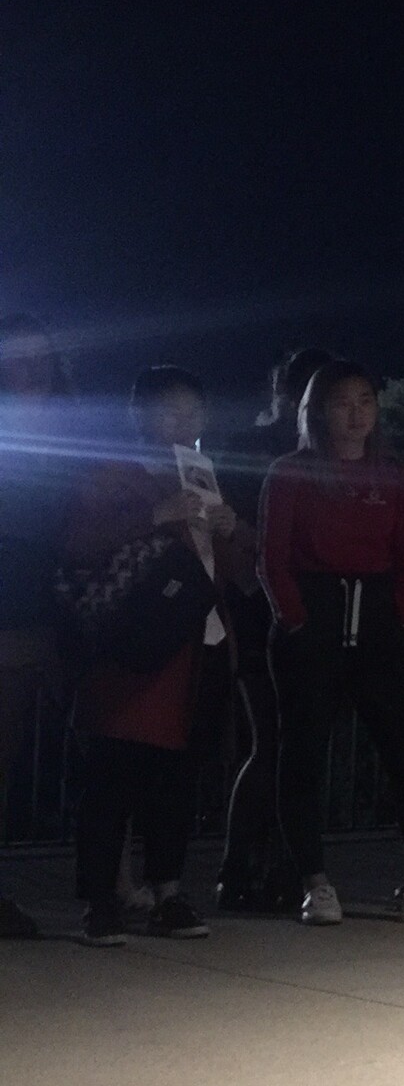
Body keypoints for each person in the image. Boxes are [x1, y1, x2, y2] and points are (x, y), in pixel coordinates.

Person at [260, 361, 404, 925]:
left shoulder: (393, 474)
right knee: (304, 753)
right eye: (344, 402)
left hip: (379, 629)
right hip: (313, 621)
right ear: (318, 410)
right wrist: (295, 618)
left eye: (366, 400)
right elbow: (272, 557)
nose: (357, 412)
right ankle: (314, 882)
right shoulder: (290, 472)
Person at [60, 366, 242, 945]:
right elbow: (77, 545)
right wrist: (155, 514)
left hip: (199, 642)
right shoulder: (114, 471)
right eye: (170, 411)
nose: (184, 422)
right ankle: (100, 901)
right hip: (136, 648)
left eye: (194, 412)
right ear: (139, 416)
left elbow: (230, 566)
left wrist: (232, 527)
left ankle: (168, 891)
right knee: (113, 775)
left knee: (176, 778)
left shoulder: (201, 472)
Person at [209, 345, 334, 915]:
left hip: (278, 611)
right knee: (279, 744)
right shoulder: (279, 454)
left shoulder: (282, 450)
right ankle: (253, 869)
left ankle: (260, 869)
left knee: (281, 744)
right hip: (269, 612)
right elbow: (233, 535)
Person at [0, 313, 76, 938]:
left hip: (29, 606)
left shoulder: (67, 432)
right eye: (16, 360)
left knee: (8, 745)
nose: (30, 371)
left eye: (40, 361)